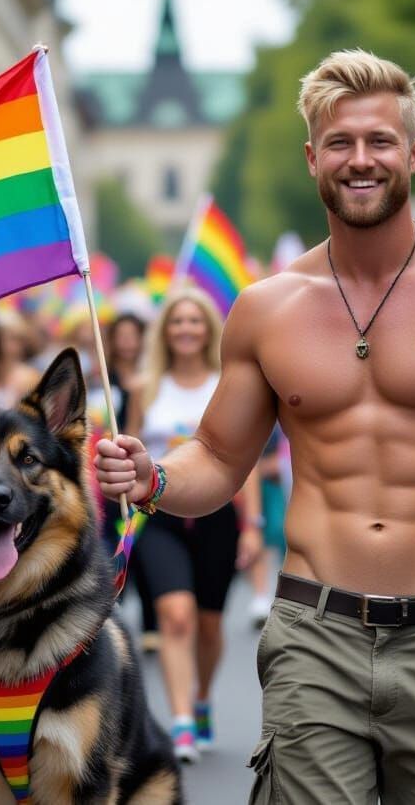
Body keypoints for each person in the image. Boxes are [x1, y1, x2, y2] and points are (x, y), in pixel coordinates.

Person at [96, 49, 415, 804]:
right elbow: (219, 457)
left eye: (380, 140)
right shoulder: (267, 308)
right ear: (311, 158)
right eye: (340, 143)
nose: (360, 159)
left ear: (413, 153)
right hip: (312, 636)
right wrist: (154, 477)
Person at [124, 288, 262, 764]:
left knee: (208, 623)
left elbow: (244, 461)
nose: (186, 329)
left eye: (194, 321)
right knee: (176, 615)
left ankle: (201, 698)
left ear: (208, 329)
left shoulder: (228, 384)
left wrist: (252, 525)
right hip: (158, 515)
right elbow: (132, 450)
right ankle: (181, 719)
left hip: (217, 516)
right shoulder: (145, 387)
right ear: (165, 331)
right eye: (177, 321)